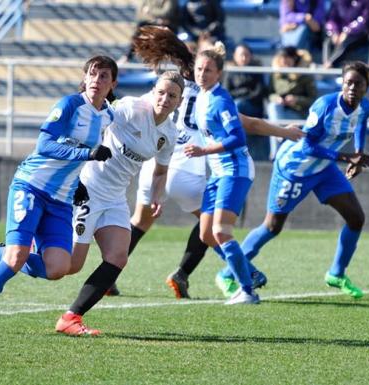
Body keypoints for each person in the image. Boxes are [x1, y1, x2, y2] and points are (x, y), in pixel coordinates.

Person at [126, 26, 304, 300]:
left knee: (141, 221)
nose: (203, 71)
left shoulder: (164, 86)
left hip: (156, 162)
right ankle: (237, 273)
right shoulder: (206, 96)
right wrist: (285, 131)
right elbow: (249, 125)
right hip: (187, 165)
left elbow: (136, 109)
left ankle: (108, 274)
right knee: (211, 227)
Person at [0, 55, 118, 334]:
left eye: (103, 76)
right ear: (84, 77)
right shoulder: (69, 105)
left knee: (58, 268)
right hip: (31, 186)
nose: (96, 81)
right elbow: (44, 145)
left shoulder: (108, 115)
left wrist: (76, 184)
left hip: (61, 200)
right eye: (92, 74)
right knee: (16, 258)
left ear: (113, 83)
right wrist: (86, 153)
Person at [227, 61, 369, 299]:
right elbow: (307, 145)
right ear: (342, 83)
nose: (352, 88)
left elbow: (361, 124)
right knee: (272, 226)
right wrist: (344, 156)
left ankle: (336, 274)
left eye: (358, 84)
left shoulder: (365, 106)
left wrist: (357, 154)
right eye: (348, 82)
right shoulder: (325, 105)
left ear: (367, 86)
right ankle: (227, 273)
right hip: (295, 168)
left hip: (324, 168)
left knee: (356, 218)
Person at [54, 71, 183, 336]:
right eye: (161, 92)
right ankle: (1, 253)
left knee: (117, 257)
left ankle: (71, 318)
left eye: (172, 95)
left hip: (115, 198)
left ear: (179, 101)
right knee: (70, 266)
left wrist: (158, 195)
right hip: (88, 188)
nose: (164, 99)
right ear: (153, 91)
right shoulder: (131, 107)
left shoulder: (169, 134)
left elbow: (160, 171)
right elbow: (97, 118)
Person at [180, 45, 261, 305]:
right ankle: (249, 272)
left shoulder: (220, 100)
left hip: (234, 171)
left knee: (221, 231)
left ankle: (247, 290)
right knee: (206, 234)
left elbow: (237, 137)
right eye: (199, 69)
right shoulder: (202, 95)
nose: (202, 74)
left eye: (209, 70)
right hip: (218, 172)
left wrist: (204, 150)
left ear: (219, 74)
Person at [267, 47, 317, 159]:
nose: (284, 61)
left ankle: (278, 135)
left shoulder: (305, 75)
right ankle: (276, 147)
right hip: (279, 112)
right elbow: (269, 94)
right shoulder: (275, 74)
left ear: (294, 59)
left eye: (287, 58)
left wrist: (296, 100)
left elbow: (313, 99)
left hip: (298, 113)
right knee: (273, 107)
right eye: (282, 58)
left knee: (273, 119)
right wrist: (277, 98)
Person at [224, 43, 269, 160]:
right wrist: (244, 92)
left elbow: (260, 92)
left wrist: (244, 96)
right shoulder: (230, 71)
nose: (244, 58)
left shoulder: (256, 70)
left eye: (246, 55)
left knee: (239, 104)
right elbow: (227, 93)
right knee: (236, 105)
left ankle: (236, 140)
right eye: (241, 55)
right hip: (235, 107)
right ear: (234, 56)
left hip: (253, 107)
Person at [322, 0, 369, 68]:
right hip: (339, 34)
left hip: (358, 35)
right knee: (327, 42)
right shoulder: (337, 2)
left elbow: (363, 20)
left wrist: (347, 31)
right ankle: (325, 64)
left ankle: (330, 64)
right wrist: (334, 32)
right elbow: (331, 19)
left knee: (345, 43)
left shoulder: (365, 1)